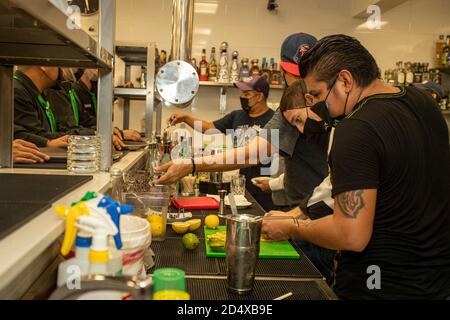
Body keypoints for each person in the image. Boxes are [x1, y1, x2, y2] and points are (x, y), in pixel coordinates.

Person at [262, 34, 450, 299]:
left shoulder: (356, 129)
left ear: (346, 81)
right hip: (436, 285)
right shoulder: (425, 106)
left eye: (316, 94)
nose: (316, 105)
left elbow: (350, 234)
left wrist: (292, 226)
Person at [168, 76, 276, 211]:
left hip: (263, 188)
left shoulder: (274, 119)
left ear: (259, 96)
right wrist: (186, 118)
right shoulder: (237, 116)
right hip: (237, 188)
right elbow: (209, 128)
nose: (242, 97)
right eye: (241, 94)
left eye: (246, 94)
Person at [13, 66, 69, 148]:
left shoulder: (38, 93)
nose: (62, 70)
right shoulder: (17, 91)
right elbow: (35, 135)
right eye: (58, 64)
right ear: (44, 67)